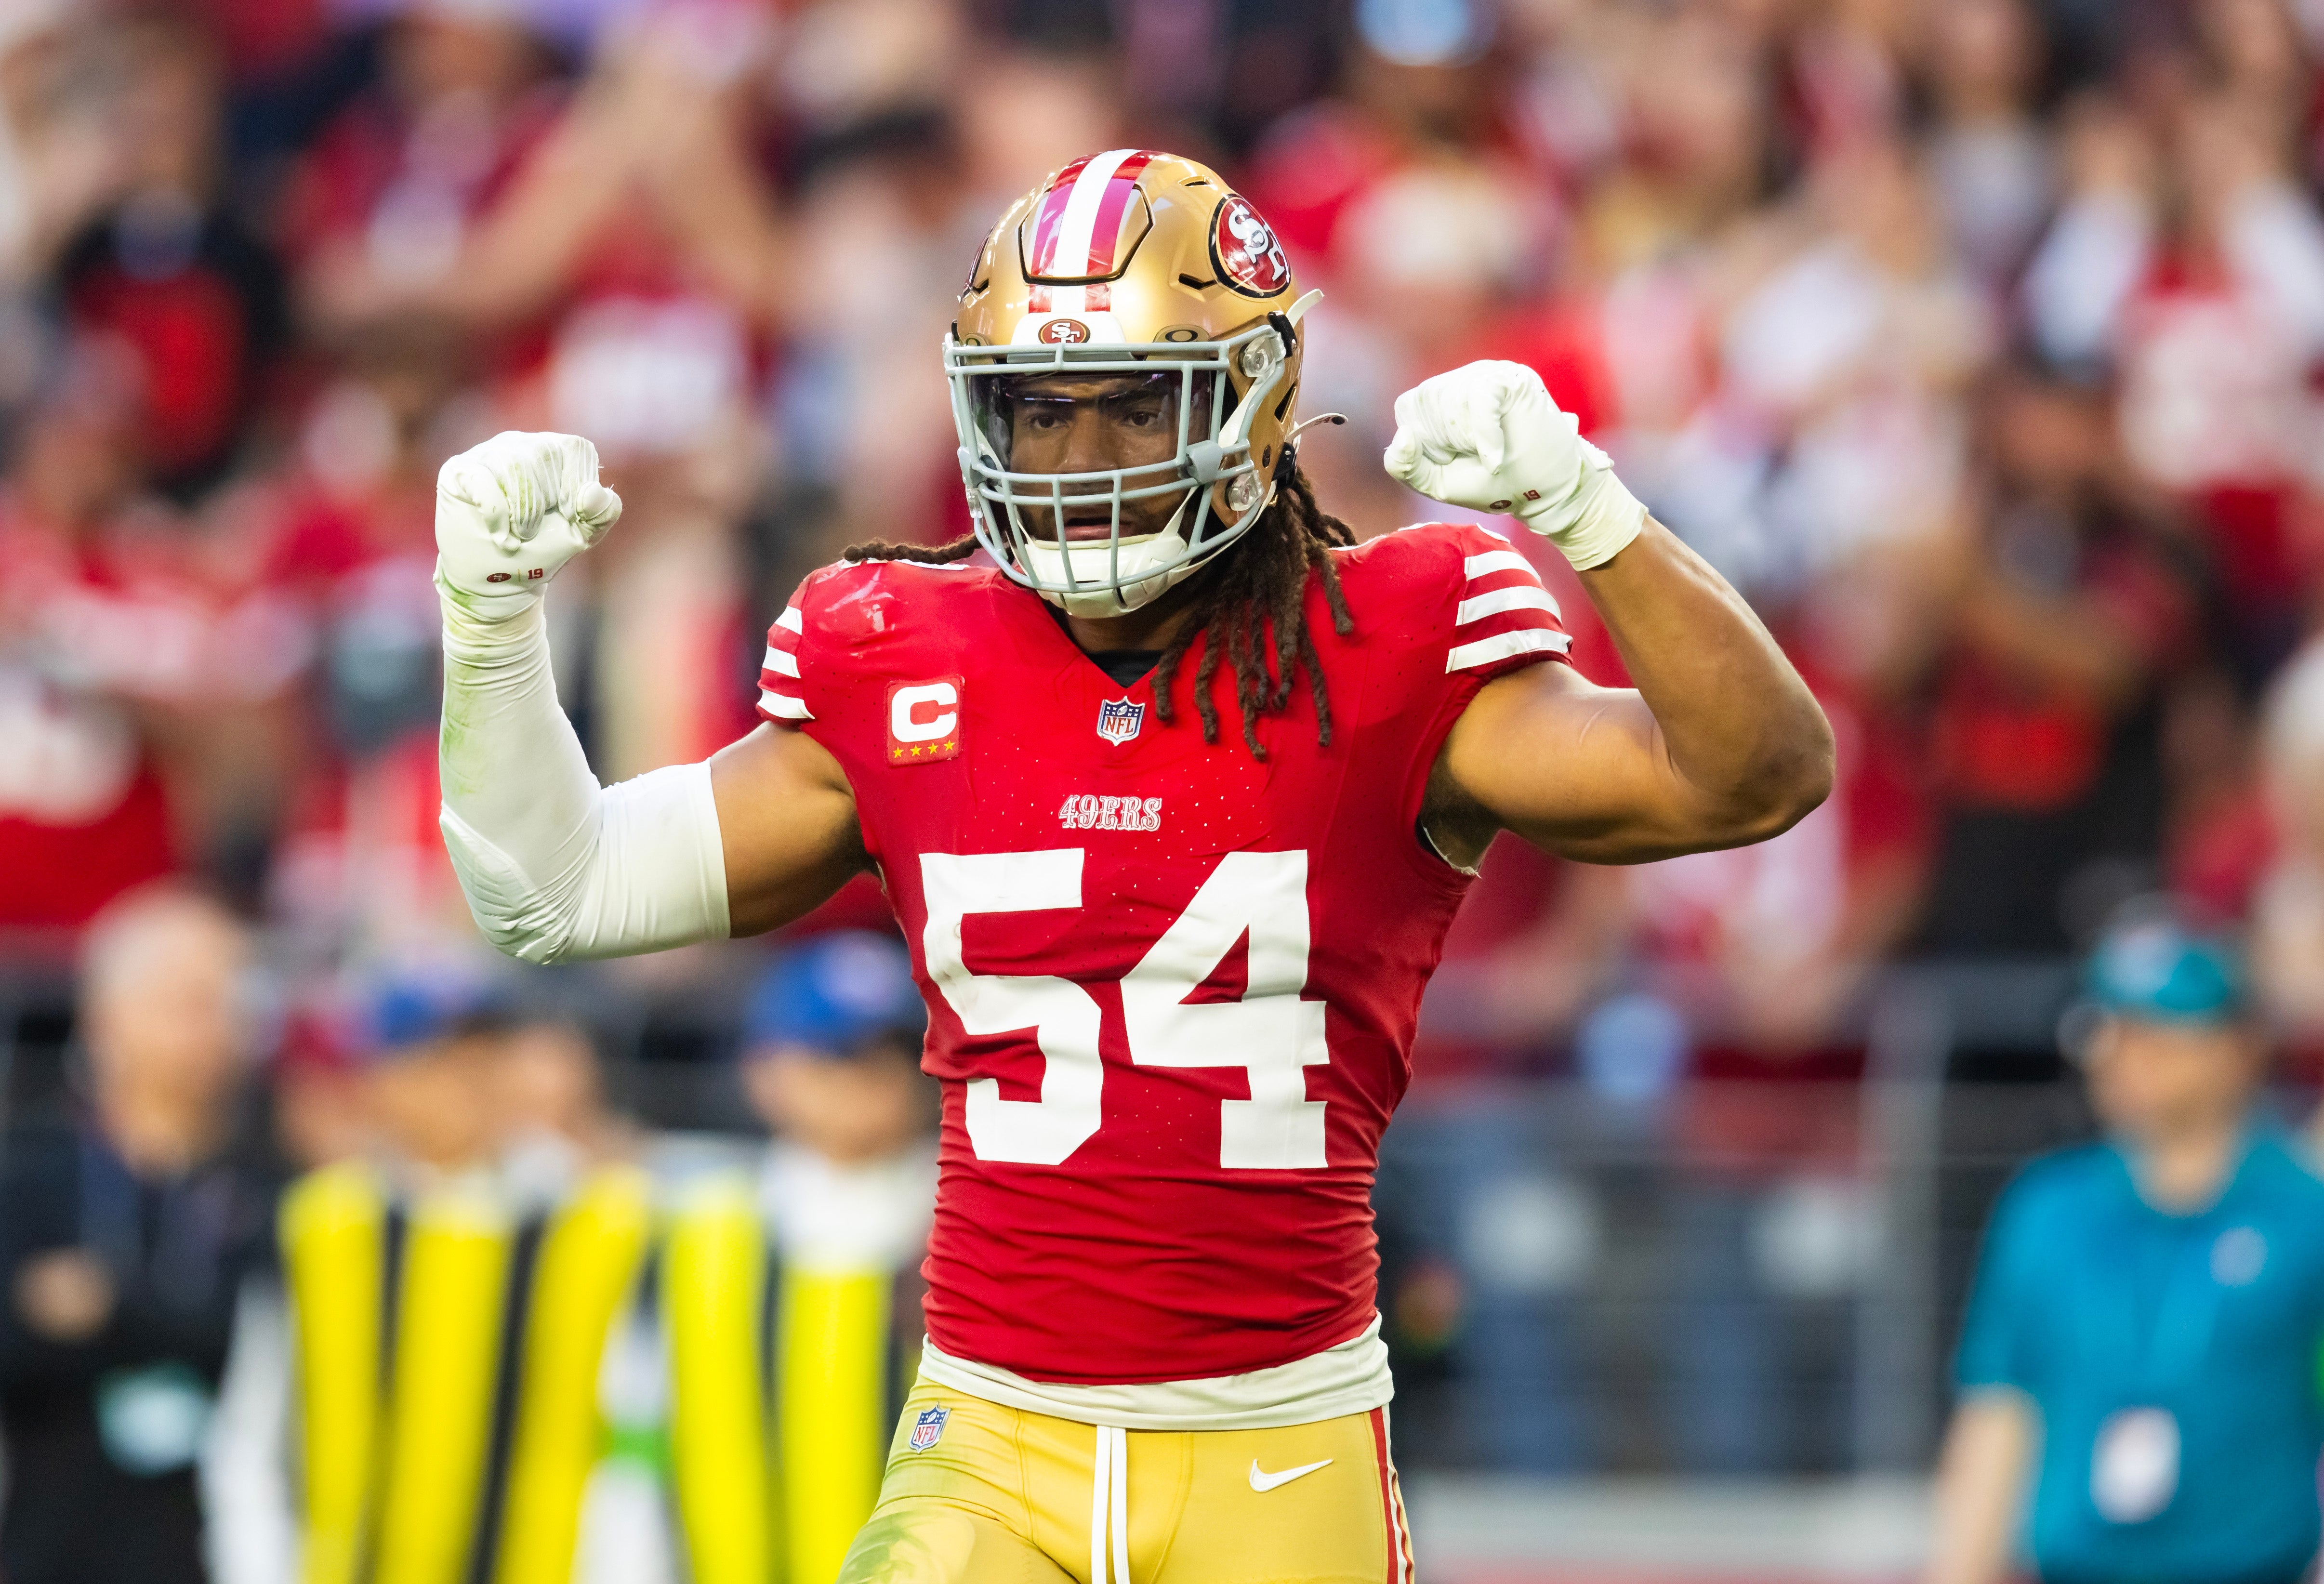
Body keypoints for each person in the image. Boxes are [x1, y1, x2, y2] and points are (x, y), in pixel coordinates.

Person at [431, 150, 1833, 1582]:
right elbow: (560, 893)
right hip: (985, 1440)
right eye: (1039, 411)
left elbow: (1756, 772)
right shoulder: (894, 651)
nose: (1081, 456)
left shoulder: (1394, 638)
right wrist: (490, 625)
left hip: (1276, 1446)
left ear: (1257, 398)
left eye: (1131, 402)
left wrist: (1595, 516)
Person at [204, 968, 656, 1584]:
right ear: (379, 1082)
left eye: (486, 1059)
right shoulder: (323, 1226)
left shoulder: (597, 1225)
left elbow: (633, 1441)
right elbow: (251, 1438)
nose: (467, 1085)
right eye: (436, 1061)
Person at [1925, 911, 2324, 1584]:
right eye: (2111, 1031)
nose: (2126, 1054)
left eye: (2160, 1032)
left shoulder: (2303, 1213)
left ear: (2239, 1045)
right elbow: (1999, 1414)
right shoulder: (2047, 1208)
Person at [0, 886, 272, 1584]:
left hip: (224, 1547)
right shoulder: (32, 1169)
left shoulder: (271, 1183)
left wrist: (109, 1311)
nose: (212, 1028)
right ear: (104, 1017)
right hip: (53, 1543)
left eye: (229, 1003)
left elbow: (255, 1344)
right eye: (185, 1003)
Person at [661, 932, 937, 1584]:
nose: (873, 1078)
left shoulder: (971, 1230)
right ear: (766, 1072)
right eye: (838, 1053)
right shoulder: (703, 1231)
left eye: (893, 1051)